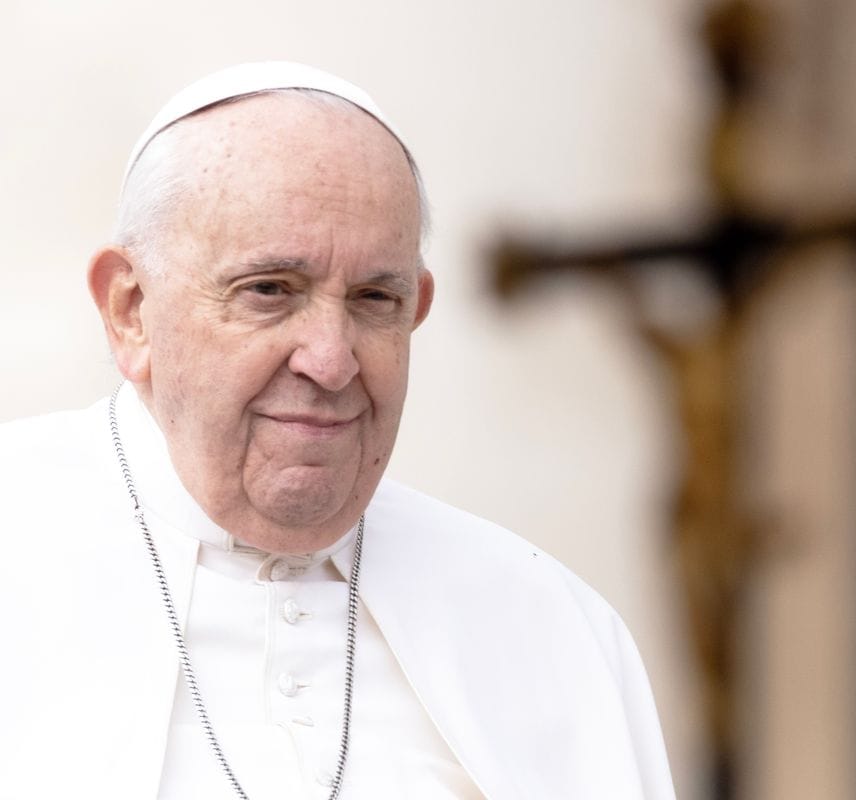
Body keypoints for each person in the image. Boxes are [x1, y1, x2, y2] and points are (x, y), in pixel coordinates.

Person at [0, 62, 675, 800]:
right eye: (268, 290)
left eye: (373, 298)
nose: (330, 359)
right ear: (130, 309)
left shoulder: (546, 626)